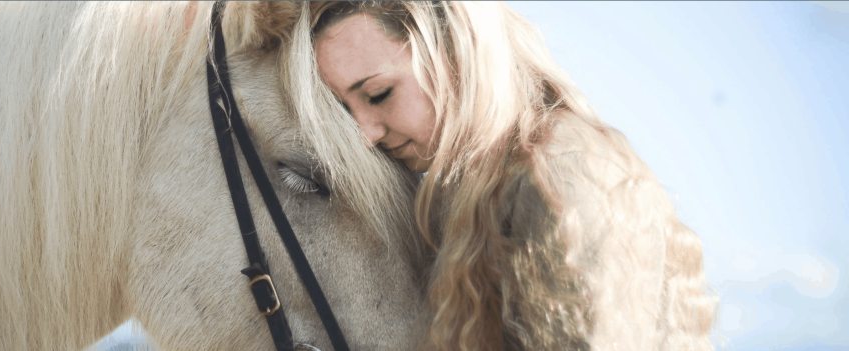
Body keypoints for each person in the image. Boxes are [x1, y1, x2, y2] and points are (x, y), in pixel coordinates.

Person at [295, 2, 716, 350]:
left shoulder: (560, 179)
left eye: (378, 94)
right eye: (347, 112)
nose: (366, 134)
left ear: (454, 50)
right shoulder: (473, 195)